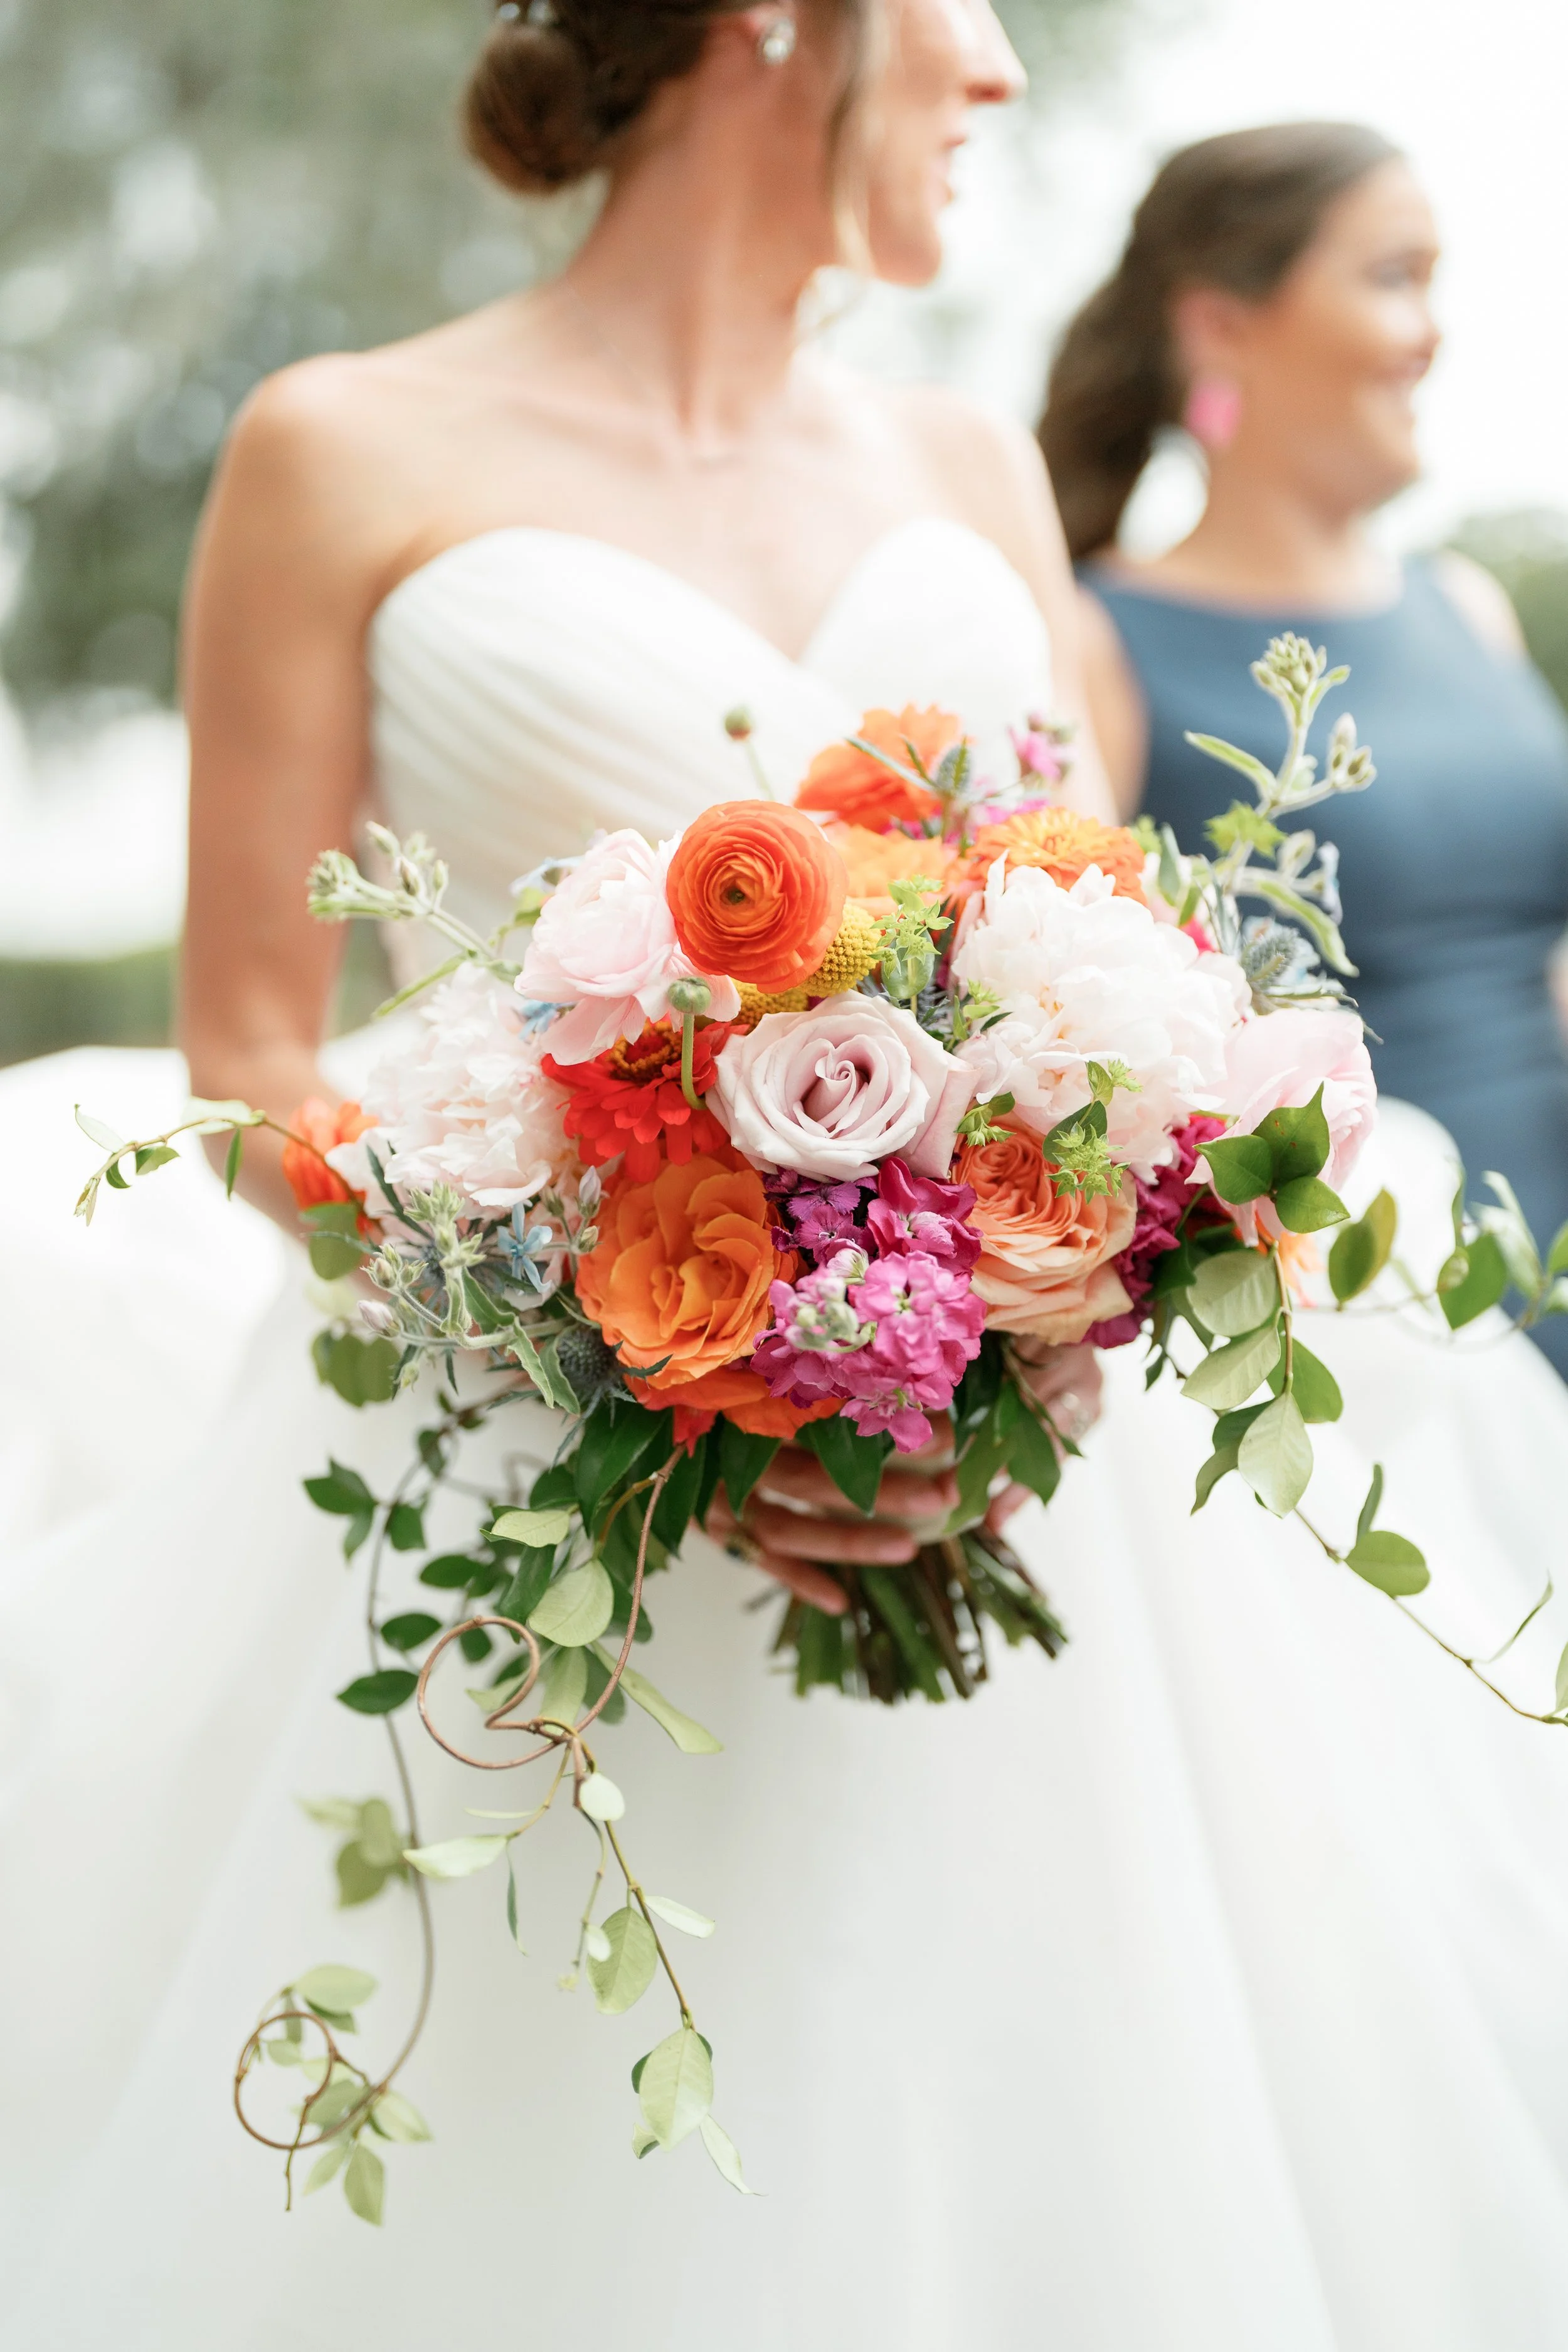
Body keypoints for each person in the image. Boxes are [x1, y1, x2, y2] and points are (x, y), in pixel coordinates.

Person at [7, 36, 1568, 2352]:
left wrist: (1048, 1278)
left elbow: (1086, 950)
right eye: (960, 2)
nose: (1009, 68)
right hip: (541, 1481)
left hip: (1017, 1476)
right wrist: (616, 1332)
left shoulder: (960, 469)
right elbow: (252, 1051)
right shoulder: (339, 445)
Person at [1042, 120, 1568, 1375]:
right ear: (1220, 324)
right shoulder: (1095, 643)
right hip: (1359, 1329)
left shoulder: (1465, 605)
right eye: (1392, 277)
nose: (1431, 332)